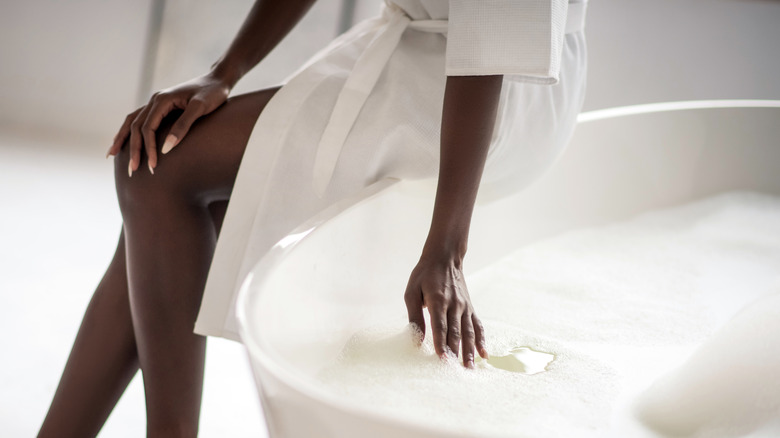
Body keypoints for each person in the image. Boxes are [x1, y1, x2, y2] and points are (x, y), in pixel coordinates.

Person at [38, 0, 587, 436]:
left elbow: (492, 36)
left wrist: (447, 248)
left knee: (156, 171)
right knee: (155, 222)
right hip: (418, 50)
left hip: (495, 89)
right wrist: (224, 71)